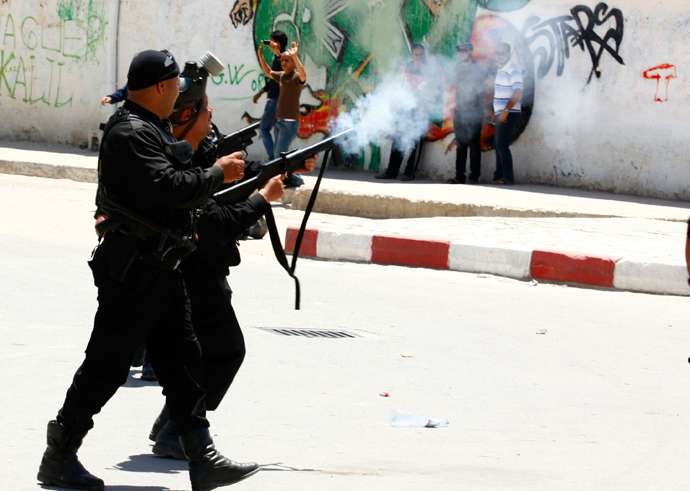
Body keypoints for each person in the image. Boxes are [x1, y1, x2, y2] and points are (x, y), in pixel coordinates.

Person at [37, 49, 259, 491]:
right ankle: (58, 456)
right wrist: (216, 174)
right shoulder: (130, 132)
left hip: (161, 268)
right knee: (105, 367)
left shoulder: (151, 130)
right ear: (160, 86)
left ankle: (202, 455)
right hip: (134, 272)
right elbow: (171, 187)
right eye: (177, 85)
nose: (181, 93)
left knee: (183, 362)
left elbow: (180, 170)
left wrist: (229, 170)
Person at [147, 71, 317, 460]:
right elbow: (214, 222)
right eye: (205, 108)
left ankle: (173, 423)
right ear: (188, 115)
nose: (211, 114)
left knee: (205, 353)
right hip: (194, 270)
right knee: (225, 351)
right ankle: (177, 430)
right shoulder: (182, 165)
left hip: (196, 269)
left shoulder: (192, 154)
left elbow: (225, 196)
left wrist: (279, 175)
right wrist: (263, 199)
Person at [375, 44, 432, 182]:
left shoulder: (429, 70)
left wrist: (424, 109)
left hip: (419, 110)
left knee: (414, 142)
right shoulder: (409, 66)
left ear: (424, 55)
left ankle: (409, 173)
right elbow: (404, 86)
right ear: (412, 55)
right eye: (416, 55)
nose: (418, 57)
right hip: (406, 108)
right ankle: (391, 172)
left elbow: (431, 92)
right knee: (398, 139)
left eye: (421, 55)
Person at [257, 41, 307, 188]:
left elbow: (304, 74)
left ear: (293, 63)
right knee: (281, 154)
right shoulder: (282, 76)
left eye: (287, 60)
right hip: (279, 122)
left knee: (279, 154)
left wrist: (295, 56)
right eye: (282, 60)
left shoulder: (296, 77)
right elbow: (268, 72)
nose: (283, 63)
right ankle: (293, 177)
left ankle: (292, 179)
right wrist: (261, 56)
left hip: (290, 123)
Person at [447, 42, 491, 185]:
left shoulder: (479, 68)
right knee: (460, 145)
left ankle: (474, 177)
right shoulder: (457, 67)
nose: (461, 53)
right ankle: (459, 176)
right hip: (459, 111)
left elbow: (490, 84)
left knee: (474, 145)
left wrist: (480, 99)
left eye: (464, 51)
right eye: (459, 51)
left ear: (470, 52)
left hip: (474, 112)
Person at [252, 31, 288, 161]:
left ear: (277, 43)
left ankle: (274, 160)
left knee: (264, 130)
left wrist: (275, 54)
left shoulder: (283, 59)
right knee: (279, 134)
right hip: (280, 101)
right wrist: (260, 93)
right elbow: (273, 78)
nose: (268, 43)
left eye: (270, 41)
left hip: (276, 101)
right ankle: (280, 161)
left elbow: (276, 75)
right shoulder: (281, 58)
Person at [491, 42, 523, 185]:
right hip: (502, 112)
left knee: (502, 144)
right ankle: (499, 176)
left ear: (509, 54)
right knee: (498, 144)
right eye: (498, 53)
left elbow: (518, 92)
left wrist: (505, 110)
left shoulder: (513, 70)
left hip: (510, 112)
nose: (500, 56)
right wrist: (496, 112)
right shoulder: (501, 69)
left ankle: (507, 177)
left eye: (503, 53)